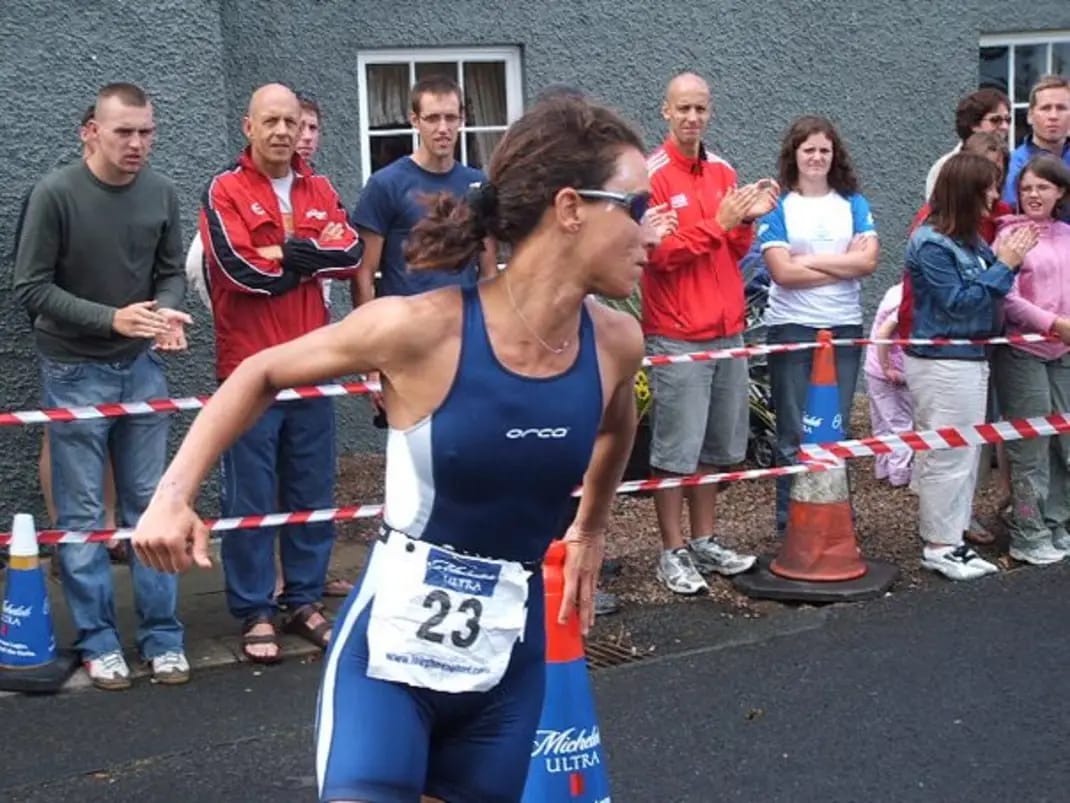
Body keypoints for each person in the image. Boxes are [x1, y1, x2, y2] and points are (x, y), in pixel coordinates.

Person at [133, 94, 647, 801]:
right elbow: (262, 369)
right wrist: (172, 494)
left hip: (509, 658)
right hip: (389, 662)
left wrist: (589, 529)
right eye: (637, 208)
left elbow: (618, 425)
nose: (651, 233)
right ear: (570, 208)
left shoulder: (615, 342)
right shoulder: (423, 329)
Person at [13, 82, 192, 689]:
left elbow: (171, 272)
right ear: (90, 131)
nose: (137, 143)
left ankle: (163, 636)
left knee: (152, 505)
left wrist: (166, 313)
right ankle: (96, 638)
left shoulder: (162, 192)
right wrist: (109, 318)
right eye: (124, 132)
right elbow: (30, 289)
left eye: (146, 131)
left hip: (143, 366)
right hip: (73, 368)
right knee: (85, 515)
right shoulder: (56, 194)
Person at [199, 83, 364, 663]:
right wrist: (304, 256)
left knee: (311, 492)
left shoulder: (319, 186)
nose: (280, 132)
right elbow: (240, 269)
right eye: (269, 121)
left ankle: (303, 599)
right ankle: (253, 610)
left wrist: (289, 254)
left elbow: (350, 256)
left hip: (313, 366)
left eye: (290, 122)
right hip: (249, 372)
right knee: (250, 497)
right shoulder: (224, 189)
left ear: (301, 128)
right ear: (248, 126)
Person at [642, 71, 774, 594]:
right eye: (683, 109)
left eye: (700, 108)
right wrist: (719, 223)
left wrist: (745, 223)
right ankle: (670, 551)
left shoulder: (723, 170)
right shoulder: (652, 176)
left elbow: (734, 252)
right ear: (665, 112)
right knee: (675, 452)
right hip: (677, 334)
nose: (692, 117)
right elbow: (659, 256)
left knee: (716, 447)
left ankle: (704, 540)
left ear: (709, 112)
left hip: (727, 329)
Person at [904, 152, 1038, 581]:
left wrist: (999, 265)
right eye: (989, 187)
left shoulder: (968, 241)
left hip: (967, 359)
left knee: (961, 452)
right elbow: (959, 305)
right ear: (966, 192)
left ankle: (951, 538)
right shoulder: (931, 243)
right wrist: (1005, 266)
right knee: (949, 455)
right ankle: (940, 545)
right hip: (945, 362)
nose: (996, 196)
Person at [757, 115, 879, 535]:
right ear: (794, 155)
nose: (816, 157)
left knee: (835, 429)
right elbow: (781, 274)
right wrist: (842, 266)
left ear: (835, 155)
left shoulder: (853, 204)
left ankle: (834, 519)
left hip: (843, 326)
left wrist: (805, 259)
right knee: (794, 431)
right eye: (808, 149)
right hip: (793, 326)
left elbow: (868, 262)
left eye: (824, 150)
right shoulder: (778, 208)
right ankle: (791, 524)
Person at [349, 74, 498, 308]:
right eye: (432, 118)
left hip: (463, 327)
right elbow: (363, 275)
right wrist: (371, 336)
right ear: (415, 120)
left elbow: (488, 270)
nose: (442, 128)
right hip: (406, 331)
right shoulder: (385, 184)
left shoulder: (477, 185)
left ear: (462, 119)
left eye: (450, 118)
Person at [993, 155, 1070, 565]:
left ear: (1060, 192)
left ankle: (1058, 521)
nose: (1034, 195)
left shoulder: (1067, 235)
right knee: (1031, 445)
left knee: (1065, 442)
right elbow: (1006, 296)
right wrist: (1052, 322)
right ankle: (1028, 529)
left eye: (1043, 187)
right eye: (1026, 188)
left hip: (1064, 352)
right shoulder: (1011, 235)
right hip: (1023, 349)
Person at [864, 282, 913, 487]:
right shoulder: (908, 298)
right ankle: (899, 475)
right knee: (901, 423)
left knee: (882, 423)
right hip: (891, 372)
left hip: (873, 368)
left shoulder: (895, 290)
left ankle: (883, 469)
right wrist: (888, 368)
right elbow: (884, 334)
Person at [1004, 75, 1070, 221]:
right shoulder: (1010, 166)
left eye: (1061, 108)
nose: (1053, 116)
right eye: (1046, 108)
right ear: (1030, 116)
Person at [924, 88, 1011, 200]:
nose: (1005, 127)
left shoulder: (1009, 161)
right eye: (995, 120)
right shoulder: (945, 167)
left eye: (1008, 120)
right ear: (974, 124)